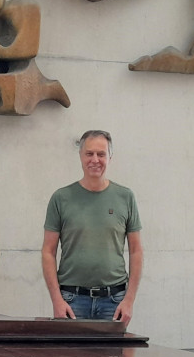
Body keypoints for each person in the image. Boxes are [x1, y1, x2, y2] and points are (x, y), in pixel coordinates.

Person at [42, 129, 143, 322]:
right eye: (89, 153)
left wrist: (129, 300)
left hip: (114, 301)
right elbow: (48, 251)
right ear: (80, 156)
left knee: (111, 353)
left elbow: (136, 250)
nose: (95, 160)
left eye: (101, 154)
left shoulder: (125, 197)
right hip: (71, 301)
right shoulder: (61, 198)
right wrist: (57, 300)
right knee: (71, 353)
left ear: (110, 157)